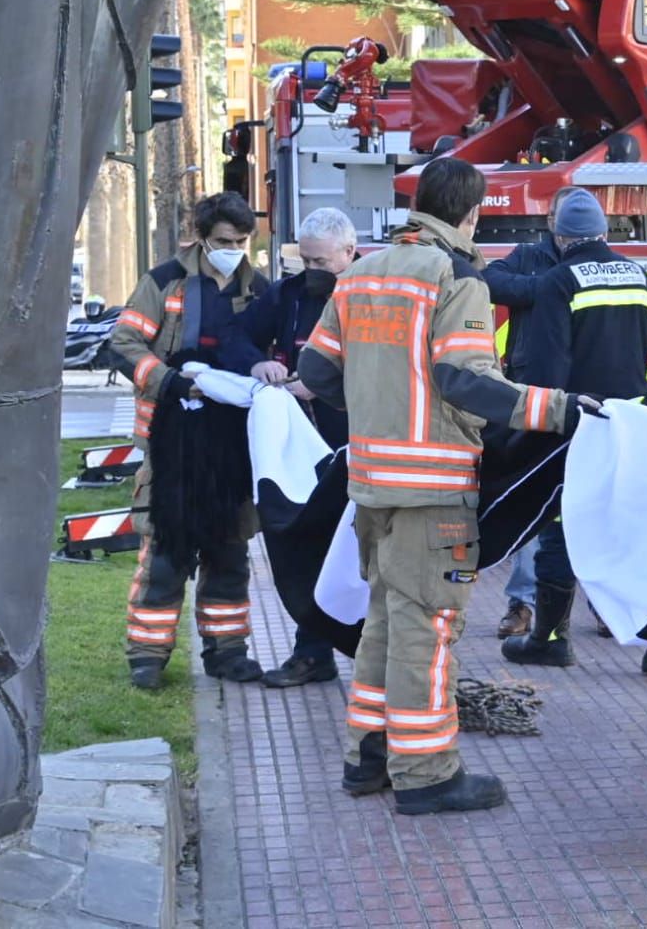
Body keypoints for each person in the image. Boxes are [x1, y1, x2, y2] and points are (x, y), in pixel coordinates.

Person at [297, 157, 591, 815]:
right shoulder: (457, 278)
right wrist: (558, 409)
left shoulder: (361, 273)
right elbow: (466, 382)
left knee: (384, 622)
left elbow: (315, 371)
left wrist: (375, 402)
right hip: (434, 488)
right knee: (427, 630)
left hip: (371, 486)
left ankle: (367, 758)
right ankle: (427, 773)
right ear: (471, 215)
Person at [500, 189, 647, 676]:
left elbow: (548, 363)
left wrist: (537, 423)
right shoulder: (637, 274)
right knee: (634, 530)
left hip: (580, 424)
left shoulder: (560, 279)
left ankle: (550, 638)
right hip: (635, 423)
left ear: (560, 236)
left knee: (561, 528)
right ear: (603, 232)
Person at [110, 191, 270, 690]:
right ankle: (147, 656)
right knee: (165, 553)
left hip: (230, 445)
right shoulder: (164, 283)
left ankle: (227, 652)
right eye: (225, 241)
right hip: (171, 440)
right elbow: (123, 343)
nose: (234, 249)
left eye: (243, 241)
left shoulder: (259, 288)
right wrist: (173, 383)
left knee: (228, 553)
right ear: (201, 238)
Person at [239, 207, 358, 688]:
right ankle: (313, 652)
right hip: (304, 454)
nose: (311, 272)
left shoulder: (373, 295)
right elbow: (239, 337)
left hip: (356, 443)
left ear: (350, 254)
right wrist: (257, 365)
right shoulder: (287, 295)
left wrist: (325, 385)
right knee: (311, 548)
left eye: (321, 263)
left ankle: (376, 653)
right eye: (304, 261)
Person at [482, 187, 577, 639]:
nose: (563, 229)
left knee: (585, 508)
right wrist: (545, 289)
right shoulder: (529, 256)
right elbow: (491, 281)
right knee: (532, 504)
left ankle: (593, 605)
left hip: (580, 402)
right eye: (557, 217)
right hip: (534, 398)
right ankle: (521, 605)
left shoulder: (595, 261)